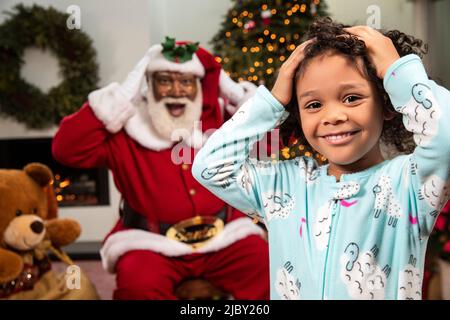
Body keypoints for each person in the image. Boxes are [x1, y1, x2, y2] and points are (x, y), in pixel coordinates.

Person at [192, 18, 450, 299]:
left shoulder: (410, 186)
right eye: (314, 105)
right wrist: (273, 101)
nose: (333, 116)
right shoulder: (283, 187)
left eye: (352, 98)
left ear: (386, 102)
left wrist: (395, 71)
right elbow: (208, 166)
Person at [52, 38, 270, 300]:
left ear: (198, 86)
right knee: (137, 284)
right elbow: (66, 150)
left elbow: (272, 143)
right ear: (148, 85)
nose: (176, 90)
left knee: (266, 266)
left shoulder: (219, 120)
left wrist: (238, 95)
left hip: (224, 238)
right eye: (165, 80)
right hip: (152, 244)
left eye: (187, 81)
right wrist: (120, 97)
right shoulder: (125, 128)